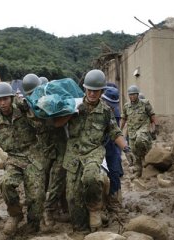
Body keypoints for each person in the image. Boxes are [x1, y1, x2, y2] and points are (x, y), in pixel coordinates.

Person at [59, 69, 136, 232]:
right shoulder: (73, 104)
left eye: (96, 90)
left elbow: (115, 133)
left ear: (101, 91)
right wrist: (70, 112)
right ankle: (81, 228)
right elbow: (57, 124)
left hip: (93, 152)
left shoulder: (106, 111)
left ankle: (95, 209)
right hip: (73, 154)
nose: (92, 94)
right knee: (73, 198)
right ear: (85, 89)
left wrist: (127, 149)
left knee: (91, 178)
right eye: (89, 90)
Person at [0, 82, 45, 235]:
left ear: (12, 98)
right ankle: (15, 215)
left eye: (5, 99)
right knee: (5, 184)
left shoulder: (23, 111)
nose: (2, 103)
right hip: (13, 158)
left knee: (36, 195)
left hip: (33, 156)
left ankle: (34, 224)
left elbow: (41, 128)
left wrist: (29, 112)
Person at [22, 73, 68, 226]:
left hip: (60, 145)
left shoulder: (52, 100)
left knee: (60, 176)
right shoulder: (24, 108)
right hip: (43, 148)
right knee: (42, 180)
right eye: (30, 94)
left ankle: (52, 209)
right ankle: (41, 211)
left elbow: (63, 120)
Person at [120, 85, 159, 178]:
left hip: (143, 129)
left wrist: (156, 126)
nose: (132, 96)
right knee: (134, 152)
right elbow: (123, 119)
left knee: (140, 139)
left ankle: (147, 159)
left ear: (137, 94)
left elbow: (152, 115)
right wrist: (119, 130)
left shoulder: (145, 103)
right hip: (132, 131)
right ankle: (138, 171)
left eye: (134, 94)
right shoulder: (126, 106)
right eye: (130, 95)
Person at [101, 87, 126, 218]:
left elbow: (115, 132)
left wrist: (125, 148)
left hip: (112, 145)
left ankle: (115, 201)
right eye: (108, 104)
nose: (111, 107)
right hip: (95, 146)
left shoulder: (115, 112)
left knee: (115, 171)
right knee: (98, 175)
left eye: (113, 105)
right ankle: (100, 203)